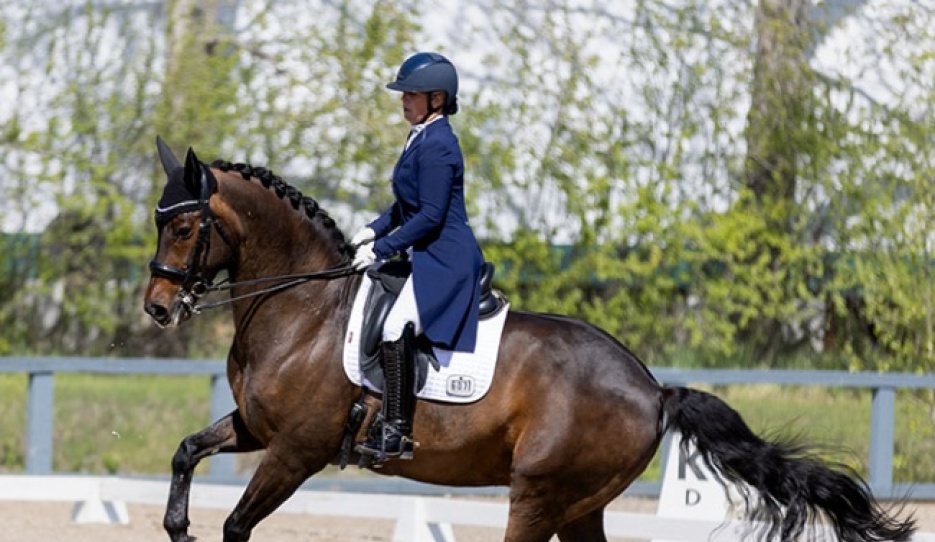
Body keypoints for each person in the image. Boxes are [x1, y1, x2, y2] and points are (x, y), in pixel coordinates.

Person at [350, 51, 486, 461]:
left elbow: (430, 215)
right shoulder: (420, 137)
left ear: (437, 100)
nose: (403, 101)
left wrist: (381, 248)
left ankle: (396, 431)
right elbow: (406, 205)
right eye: (403, 94)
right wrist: (372, 230)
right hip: (425, 253)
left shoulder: (440, 145)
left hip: (446, 259)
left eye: (411, 94)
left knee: (395, 327)